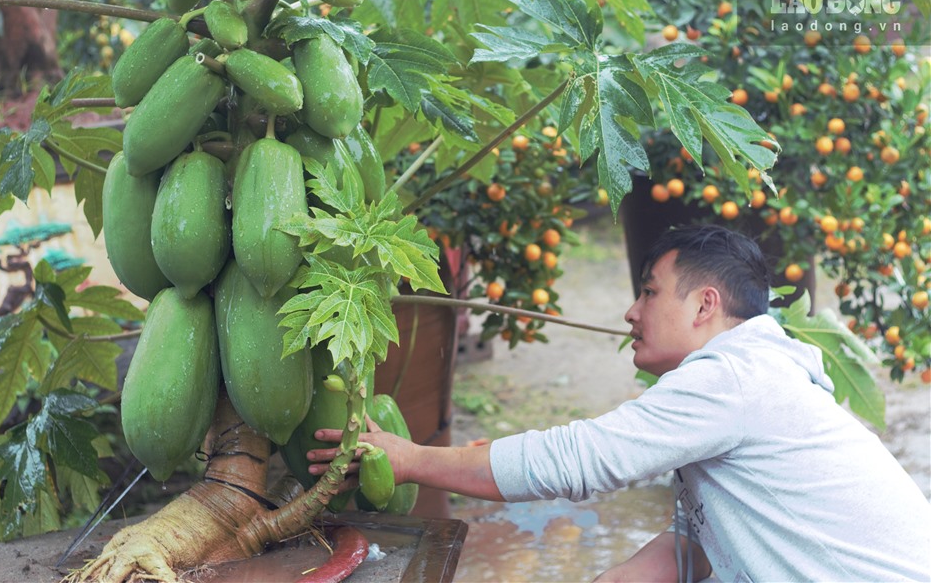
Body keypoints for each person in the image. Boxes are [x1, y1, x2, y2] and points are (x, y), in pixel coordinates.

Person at [309, 224, 931, 582]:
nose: (631, 312)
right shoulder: (753, 379)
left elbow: (577, 458)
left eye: (649, 291)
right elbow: (695, 544)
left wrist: (411, 458)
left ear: (705, 305)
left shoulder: (734, 378)